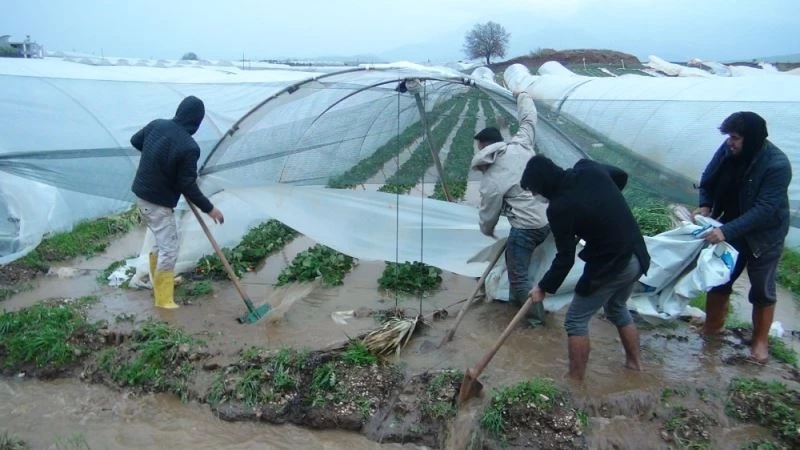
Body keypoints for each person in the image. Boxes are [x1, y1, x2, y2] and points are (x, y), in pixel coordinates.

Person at [521, 155, 650, 381]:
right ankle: (635, 365)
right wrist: (602, 205)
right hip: (637, 254)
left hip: (613, 263)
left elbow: (565, 259)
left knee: (575, 320)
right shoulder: (588, 168)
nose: (535, 195)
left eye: (534, 190)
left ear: (543, 183)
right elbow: (621, 176)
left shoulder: (559, 208)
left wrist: (542, 288)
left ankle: (575, 382)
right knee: (617, 307)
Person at [695, 111, 792, 364]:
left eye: (736, 138)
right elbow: (708, 179)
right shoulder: (728, 151)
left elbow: (764, 210)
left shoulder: (776, 165)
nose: (730, 142)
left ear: (752, 139)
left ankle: (760, 344)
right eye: (729, 136)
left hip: (764, 235)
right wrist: (706, 205)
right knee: (720, 278)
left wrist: (725, 231)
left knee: (761, 289)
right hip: (731, 226)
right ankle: (712, 328)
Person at [131, 95, 224, 309]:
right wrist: (210, 209)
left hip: (142, 194)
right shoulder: (189, 147)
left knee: (160, 241)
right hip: (156, 202)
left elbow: (136, 141)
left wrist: (156, 158)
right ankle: (163, 299)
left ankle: (160, 281)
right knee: (170, 248)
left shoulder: (157, 125)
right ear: (196, 122)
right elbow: (188, 186)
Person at [470, 90, 550, 327]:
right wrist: (523, 95)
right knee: (518, 266)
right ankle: (518, 310)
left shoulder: (492, 178)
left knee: (519, 276)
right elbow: (528, 119)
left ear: (483, 147)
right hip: (547, 219)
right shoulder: (521, 144)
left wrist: (487, 232)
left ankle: (536, 323)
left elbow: (488, 216)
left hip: (526, 228)